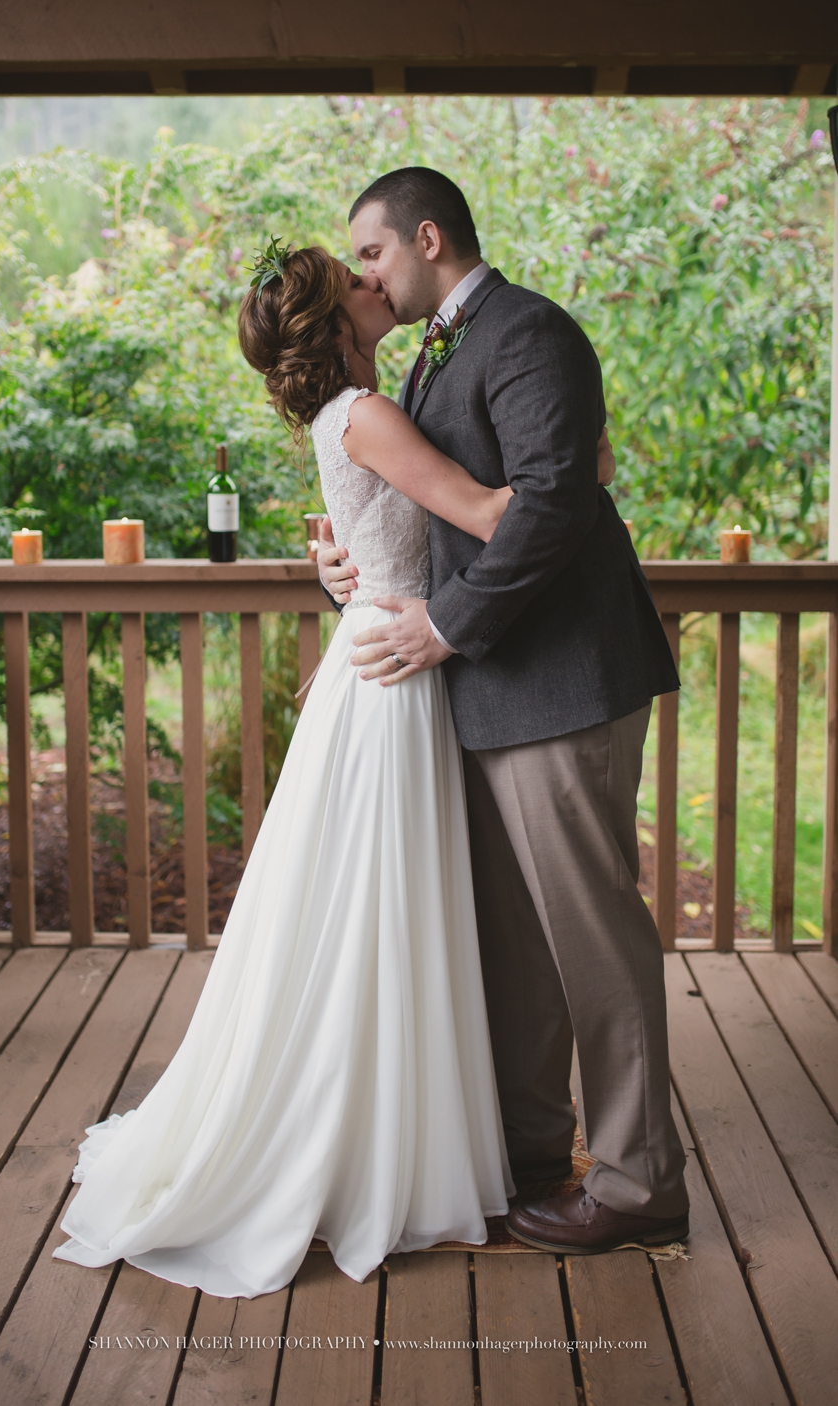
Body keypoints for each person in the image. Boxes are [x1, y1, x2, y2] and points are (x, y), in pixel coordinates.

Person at [50, 241, 612, 1299]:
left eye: (370, 260)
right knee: (376, 914)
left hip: (386, 670)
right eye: (355, 276)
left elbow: (388, 530)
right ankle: (370, 1146)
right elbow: (492, 515)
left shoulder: (360, 406)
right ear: (339, 319)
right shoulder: (366, 412)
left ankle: (396, 1130)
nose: (374, 282)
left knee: (373, 914)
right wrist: (576, 468)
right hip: (393, 687)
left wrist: (342, 564)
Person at [319, 167, 690, 1254]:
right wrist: (344, 567)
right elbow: (417, 509)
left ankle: (636, 1181)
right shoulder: (432, 351)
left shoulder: (529, 331)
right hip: (485, 692)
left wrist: (444, 627)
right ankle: (531, 1147)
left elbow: (554, 505)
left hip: (563, 681)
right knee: (516, 942)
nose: (365, 278)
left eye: (372, 254)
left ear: (427, 236)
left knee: (593, 936)